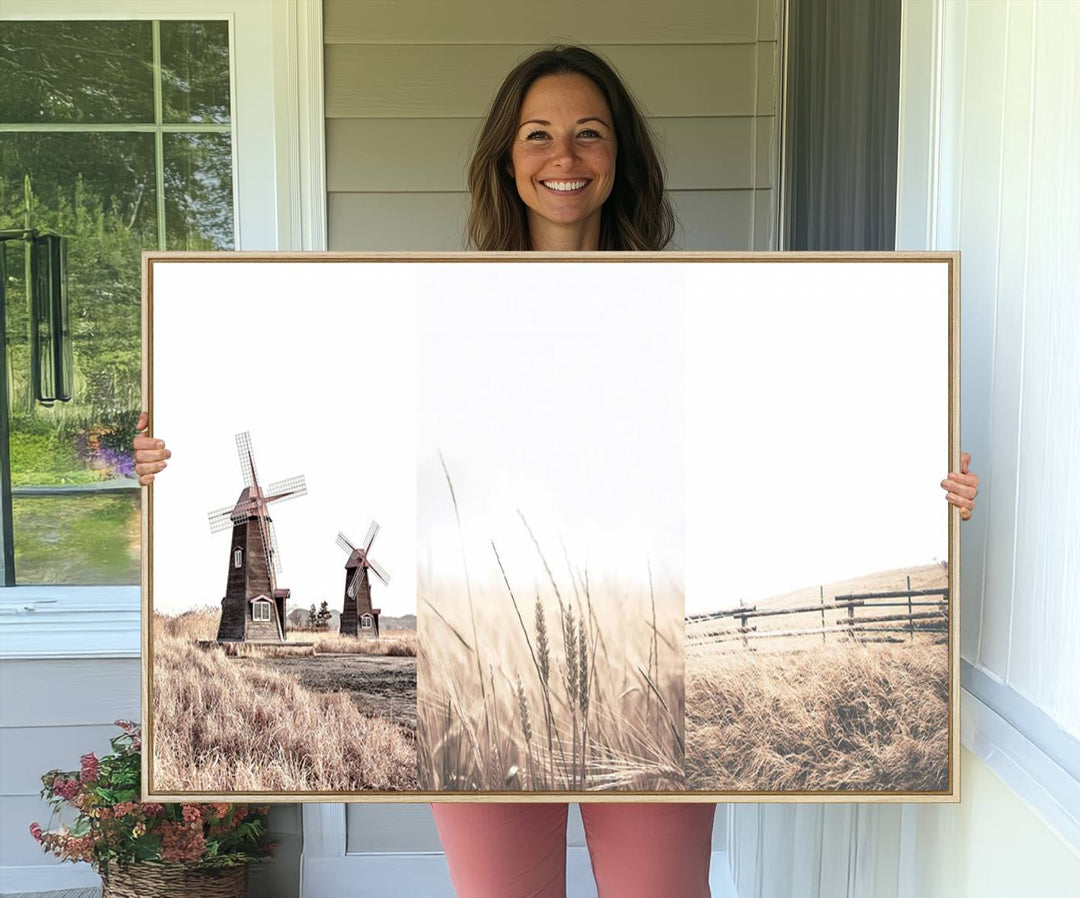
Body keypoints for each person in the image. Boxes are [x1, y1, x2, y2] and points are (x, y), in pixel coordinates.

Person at [134, 45, 979, 898]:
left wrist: (915, 487)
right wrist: (166, 461)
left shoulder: (695, 310)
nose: (563, 157)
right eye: (538, 134)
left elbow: (775, 443)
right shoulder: (440, 313)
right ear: (508, 157)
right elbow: (386, 443)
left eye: (589, 134)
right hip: (483, 667)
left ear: (620, 158)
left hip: (644, 659)